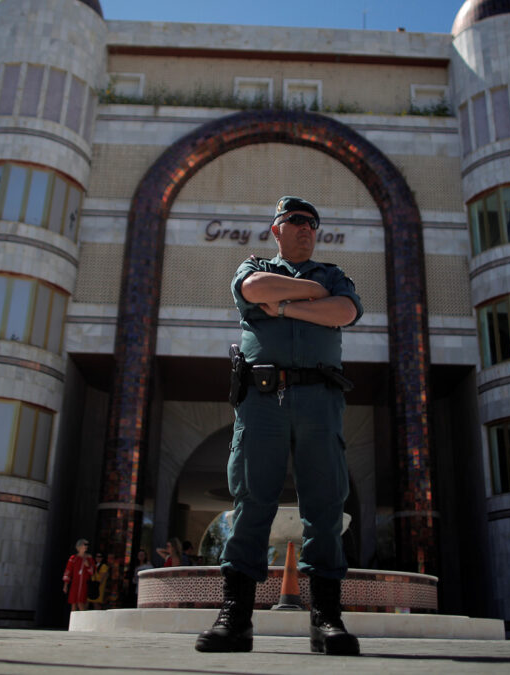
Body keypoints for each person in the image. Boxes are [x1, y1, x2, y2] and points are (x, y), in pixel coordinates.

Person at [196, 196, 363, 656]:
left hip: (319, 399)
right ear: (276, 229)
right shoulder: (252, 266)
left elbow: (344, 311)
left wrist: (287, 306)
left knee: (326, 505)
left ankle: (326, 619)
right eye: (296, 220)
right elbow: (253, 290)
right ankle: (236, 618)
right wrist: (309, 294)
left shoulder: (333, 275)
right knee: (252, 502)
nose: (307, 228)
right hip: (262, 401)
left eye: (312, 222)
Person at [61, 539, 94, 611]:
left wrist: (88, 566)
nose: (86, 547)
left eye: (86, 545)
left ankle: (83, 620)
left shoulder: (89, 558)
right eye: (84, 545)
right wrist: (65, 585)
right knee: (73, 603)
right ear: (79, 546)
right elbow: (68, 571)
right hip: (75, 584)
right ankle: (73, 621)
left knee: (81, 603)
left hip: (84, 584)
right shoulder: (73, 558)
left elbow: (92, 572)